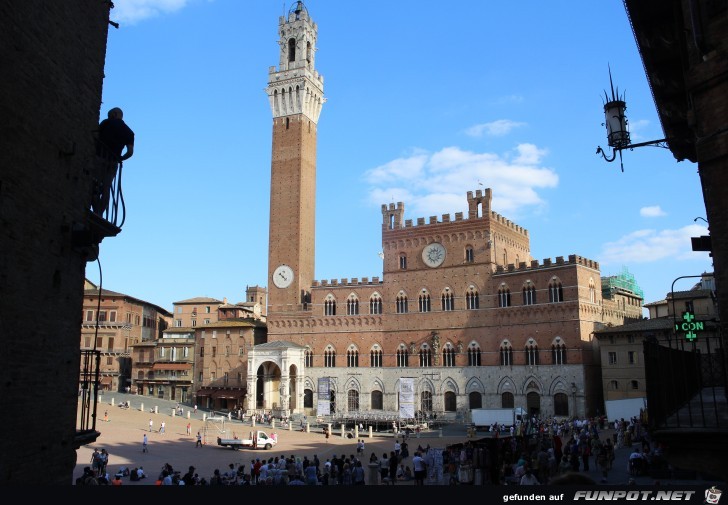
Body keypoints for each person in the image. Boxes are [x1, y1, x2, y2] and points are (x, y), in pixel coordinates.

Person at [94, 107, 134, 215]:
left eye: (110, 115)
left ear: (115, 114)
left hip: (99, 157)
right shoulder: (129, 132)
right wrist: (120, 158)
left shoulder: (106, 123)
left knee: (94, 184)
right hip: (113, 162)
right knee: (106, 188)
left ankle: (94, 208)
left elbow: (95, 137)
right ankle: (99, 213)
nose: (109, 117)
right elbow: (130, 152)